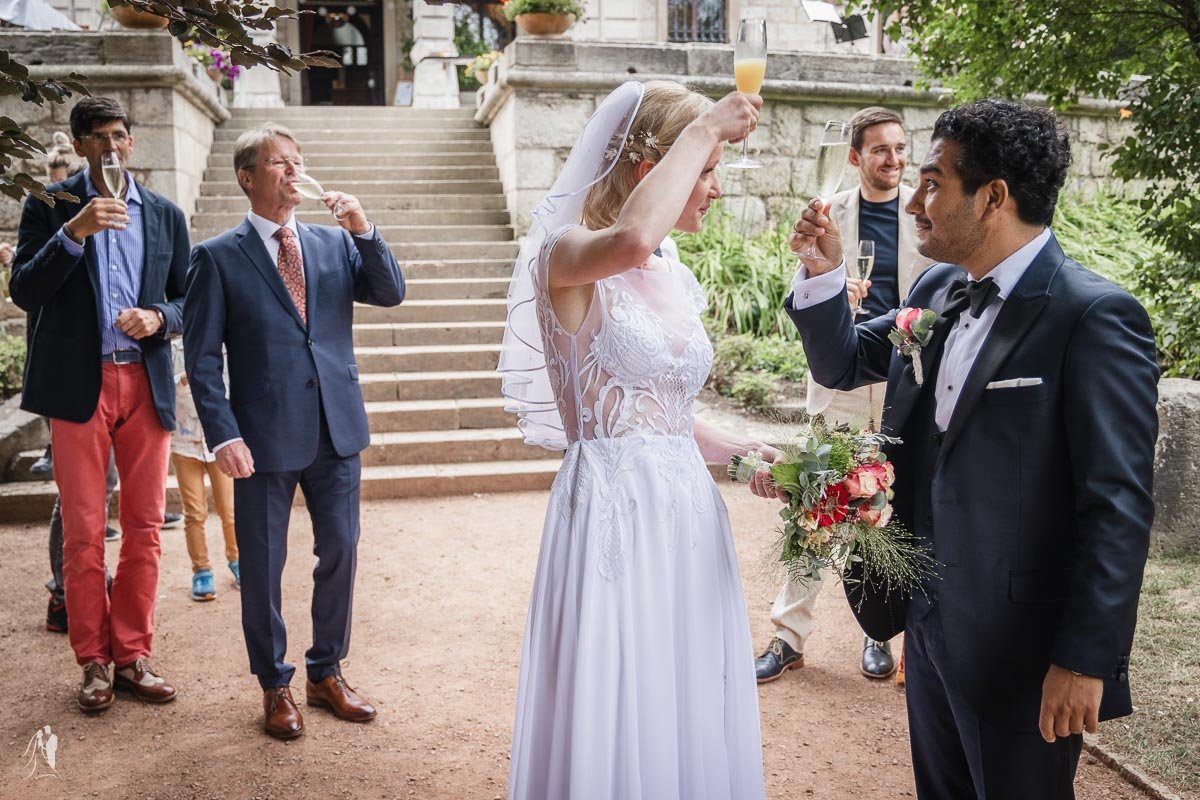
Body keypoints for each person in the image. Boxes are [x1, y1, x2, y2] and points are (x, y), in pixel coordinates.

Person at [786, 99, 1158, 799]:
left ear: (993, 197)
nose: (914, 200)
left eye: (932, 183)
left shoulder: (1094, 317)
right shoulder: (936, 288)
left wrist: (1085, 660)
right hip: (925, 631)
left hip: (1022, 650)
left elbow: (1116, 506)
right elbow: (840, 364)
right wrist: (822, 274)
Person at [500, 80, 776, 800]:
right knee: (618, 690)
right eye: (708, 170)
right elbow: (630, 237)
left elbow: (666, 414)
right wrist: (703, 128)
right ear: (649, 166)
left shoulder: (674, 276)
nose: (713, 189)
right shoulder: (566, 257)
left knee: (683, 688)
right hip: (613, 513)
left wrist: (744, 454)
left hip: (686, 515)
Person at [184, 123, 404, 740]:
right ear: (247, 177)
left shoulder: (335, 244)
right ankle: (274, 683)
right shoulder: (217, 257)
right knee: (262, 564)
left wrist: (363, 229)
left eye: (297, 162)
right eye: (278, 162)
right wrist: (224, 435)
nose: (291, 170)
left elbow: (391, 292)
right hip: (260, 438)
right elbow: (201, 359)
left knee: (341, 551)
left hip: (337, 429)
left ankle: (325, 671)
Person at [10, 96, 190, 712]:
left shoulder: (164, 215)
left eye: (120, 136)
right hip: (77, 386)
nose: (112, 147)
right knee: (85, 532)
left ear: (131, 143)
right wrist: (72, 234)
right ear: (80, 143)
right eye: (99, 138)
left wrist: (159, 316)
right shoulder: (50, 206)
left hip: (144, 382)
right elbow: (24, 291)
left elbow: (189, 300)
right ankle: (94, 662)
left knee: (145, 528)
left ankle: (134, 654)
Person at [756, 106, 933, 684]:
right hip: (841, 382)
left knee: (892, 508)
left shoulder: (925, 213)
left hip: (909, 384)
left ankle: (879, 633)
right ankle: (789, 637)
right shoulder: (828, 214)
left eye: (901, 148)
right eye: (880, 149)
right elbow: (801, 297)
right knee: (818, 503)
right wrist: (833, 292)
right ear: (855, 157)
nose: (894, 159)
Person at [169, 338, 238, 601]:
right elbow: (162, 385)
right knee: (194, 512)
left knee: (229, 509)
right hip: (184, 443)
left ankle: (237, 560)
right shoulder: (173, 348)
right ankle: (201, 570)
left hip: (218, 442)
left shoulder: (224, 345)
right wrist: (182, 381)